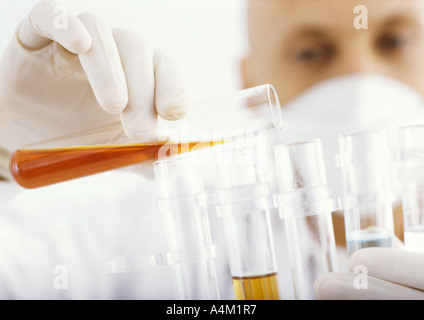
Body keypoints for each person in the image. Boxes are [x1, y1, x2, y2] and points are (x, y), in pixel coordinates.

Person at [1, 0, 424, 299]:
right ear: (248, 79)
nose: (359, 80)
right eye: (310, 52)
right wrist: (2, 155)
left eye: (395, 42)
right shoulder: (152, 224)